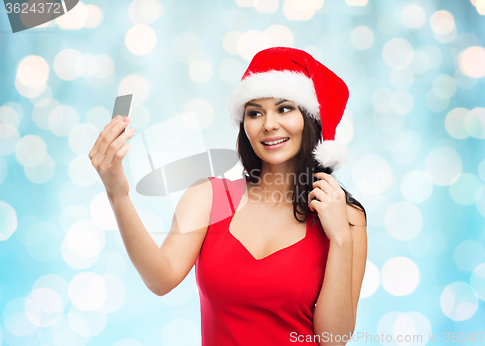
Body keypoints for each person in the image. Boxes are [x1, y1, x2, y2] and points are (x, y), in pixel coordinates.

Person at [89, 46, 367, 346]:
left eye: (284, 108)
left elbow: (333, 338)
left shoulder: (346, 217)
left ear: (310, 118)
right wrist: (118, 193)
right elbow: (161, 279)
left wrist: (340, 238)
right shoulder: (210, 197)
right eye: (255, 113)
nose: (269, 124)